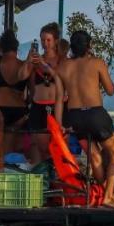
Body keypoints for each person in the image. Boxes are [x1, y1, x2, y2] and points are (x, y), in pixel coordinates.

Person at [56, 30, 114, 206]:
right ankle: (108, 196)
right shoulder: (97, 62)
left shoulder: (63, 66)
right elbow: (111, 90)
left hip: (75, 117)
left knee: (96, 158)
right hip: (95, 114)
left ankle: (105, 194)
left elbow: (59, 98)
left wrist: (59, 123)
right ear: (89, 46)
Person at [23, 24, 65, 165]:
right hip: (38, 106)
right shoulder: (36, 60)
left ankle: (52, 180)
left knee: (54, 147)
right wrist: (29, 62)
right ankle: (39, 178)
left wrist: (45, 66)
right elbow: (26, 79)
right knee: (37, 146)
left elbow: (64, 80)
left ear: (56, 41)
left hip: (56, 106)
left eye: (48, 40)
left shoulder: (62, 60)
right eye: (42, 40)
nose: (44, 44)